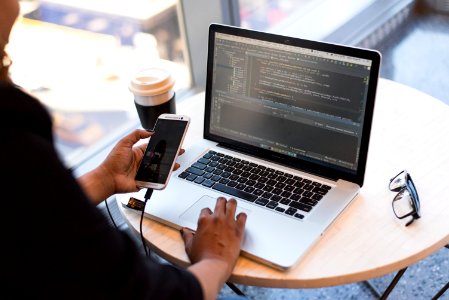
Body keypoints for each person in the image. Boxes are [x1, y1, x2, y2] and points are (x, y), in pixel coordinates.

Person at [0, 1, 247, 299]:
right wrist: (215, 260)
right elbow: (150, 293)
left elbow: (32, 220)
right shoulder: (15, 148)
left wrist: (105, 178)